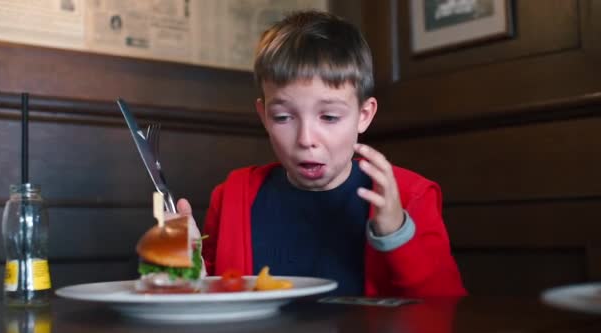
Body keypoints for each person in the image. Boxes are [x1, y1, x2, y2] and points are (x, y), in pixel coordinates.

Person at [176, 10, 466, 297]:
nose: (306, 139)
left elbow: (446, 307)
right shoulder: (231, 197)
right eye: (282, 117)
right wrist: (187, 273)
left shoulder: (411, 195)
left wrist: (395, 233)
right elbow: (214, 298)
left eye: (328, 117)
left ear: (363, 115)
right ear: (263, 116)